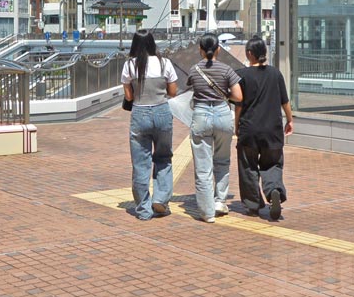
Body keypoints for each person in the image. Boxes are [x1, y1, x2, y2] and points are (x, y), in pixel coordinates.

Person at [185, 33, 243, 223]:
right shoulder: (227, 70)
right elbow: (238, 97)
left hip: (201, 116)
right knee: (222, 161)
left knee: (203, 167)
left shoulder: (194, 70)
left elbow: (191, 89)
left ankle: (207, 213)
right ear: (218, 49)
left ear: (201, 50)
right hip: (222, 115)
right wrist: (224, 93)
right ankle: (220, 201)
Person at [234, 37, 294, 220]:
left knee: (248, 166)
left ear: (249, 54)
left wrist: (237, 125)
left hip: (249, 129)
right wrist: (290, 120)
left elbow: (238, 105)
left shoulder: (241, 75)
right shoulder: (275, 74)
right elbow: (285, 101)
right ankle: (273, 190)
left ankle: (252, 205)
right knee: (273, 164)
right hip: (272, 130)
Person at [121, 30, 177, 220]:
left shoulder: (129, 65)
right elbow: (173, 91)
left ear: (135, 45)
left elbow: (128, 96)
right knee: (163, 157)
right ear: (153, 44)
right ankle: (160, 199)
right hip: (162, 111)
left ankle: (144, 209)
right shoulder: (164, 63)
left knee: (140, 163)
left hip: (140, 113)